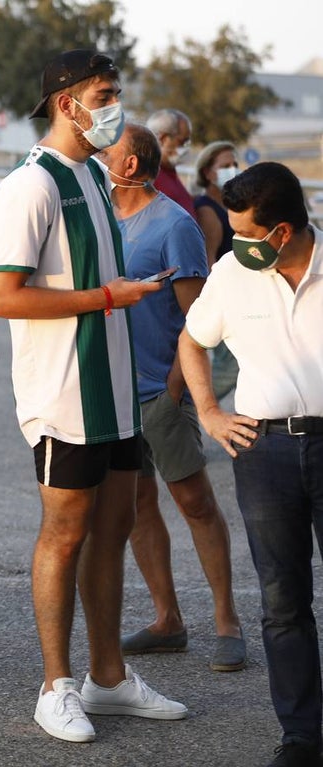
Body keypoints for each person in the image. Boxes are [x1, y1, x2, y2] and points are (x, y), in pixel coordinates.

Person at [0, 49, 187, 743]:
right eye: (105, 93)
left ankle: (108, 676)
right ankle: (55, 685)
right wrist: (108, 297)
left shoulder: (95, 177)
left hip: (118, 393)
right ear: (67, 104)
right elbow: (5, 296)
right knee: (64, 535)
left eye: (117, 92)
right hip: (64, 398)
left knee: (112, 531)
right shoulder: (30, 186)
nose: (116, 105)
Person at [178, 162, 323, 767]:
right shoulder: (235, 272)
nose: (235, 245)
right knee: (282, 602)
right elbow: (192, 340)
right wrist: (209, 412)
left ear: (283, 231)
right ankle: (302, 740)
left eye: (247, 234)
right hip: (263, 452)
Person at [99, 123, 245, 672]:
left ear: (131, 163)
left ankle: (227, 621)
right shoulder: (99, 215)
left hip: (161, 391)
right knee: (137, 504)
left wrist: (176, 390)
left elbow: (197, 321)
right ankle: (168, 621)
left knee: (195, 502)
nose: (98, 155)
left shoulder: (175, 225)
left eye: (108, 151)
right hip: (112, 396)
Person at [192, 140, 241, 400]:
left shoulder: (229, 205)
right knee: (231, 366)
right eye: (225, 166)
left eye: (234, 164)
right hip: (226, 297)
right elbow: (209, 259)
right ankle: (195, 401)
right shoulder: (207, 210)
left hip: (238, 293)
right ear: (208, 172)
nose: (232, 169)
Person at [146, 108, 196, 217]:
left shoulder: (170, 172)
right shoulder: (148, 177)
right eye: (182, 141)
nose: (185, 148)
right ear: (163, 139)